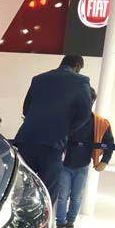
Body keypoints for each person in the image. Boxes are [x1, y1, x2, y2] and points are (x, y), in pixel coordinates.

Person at [14, 54, 92, 203]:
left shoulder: (39, 79)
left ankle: (21, 217)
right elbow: (85, 113)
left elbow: (26, 108)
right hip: (53, 143)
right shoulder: (81, 81)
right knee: (48, 192)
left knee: (23, 187)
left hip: (26, 139)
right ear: (77, 67)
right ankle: (43, 218)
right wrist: (67, 128)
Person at [55, 87, 114, 228]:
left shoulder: (99, 123)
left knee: (76, 196)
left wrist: (105, 160)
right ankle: (60, 225)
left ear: (93, 100)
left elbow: (109, 142)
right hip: (64, 164)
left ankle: (70, 223)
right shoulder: (67, 119)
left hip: (82, 165)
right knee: (62, 196)